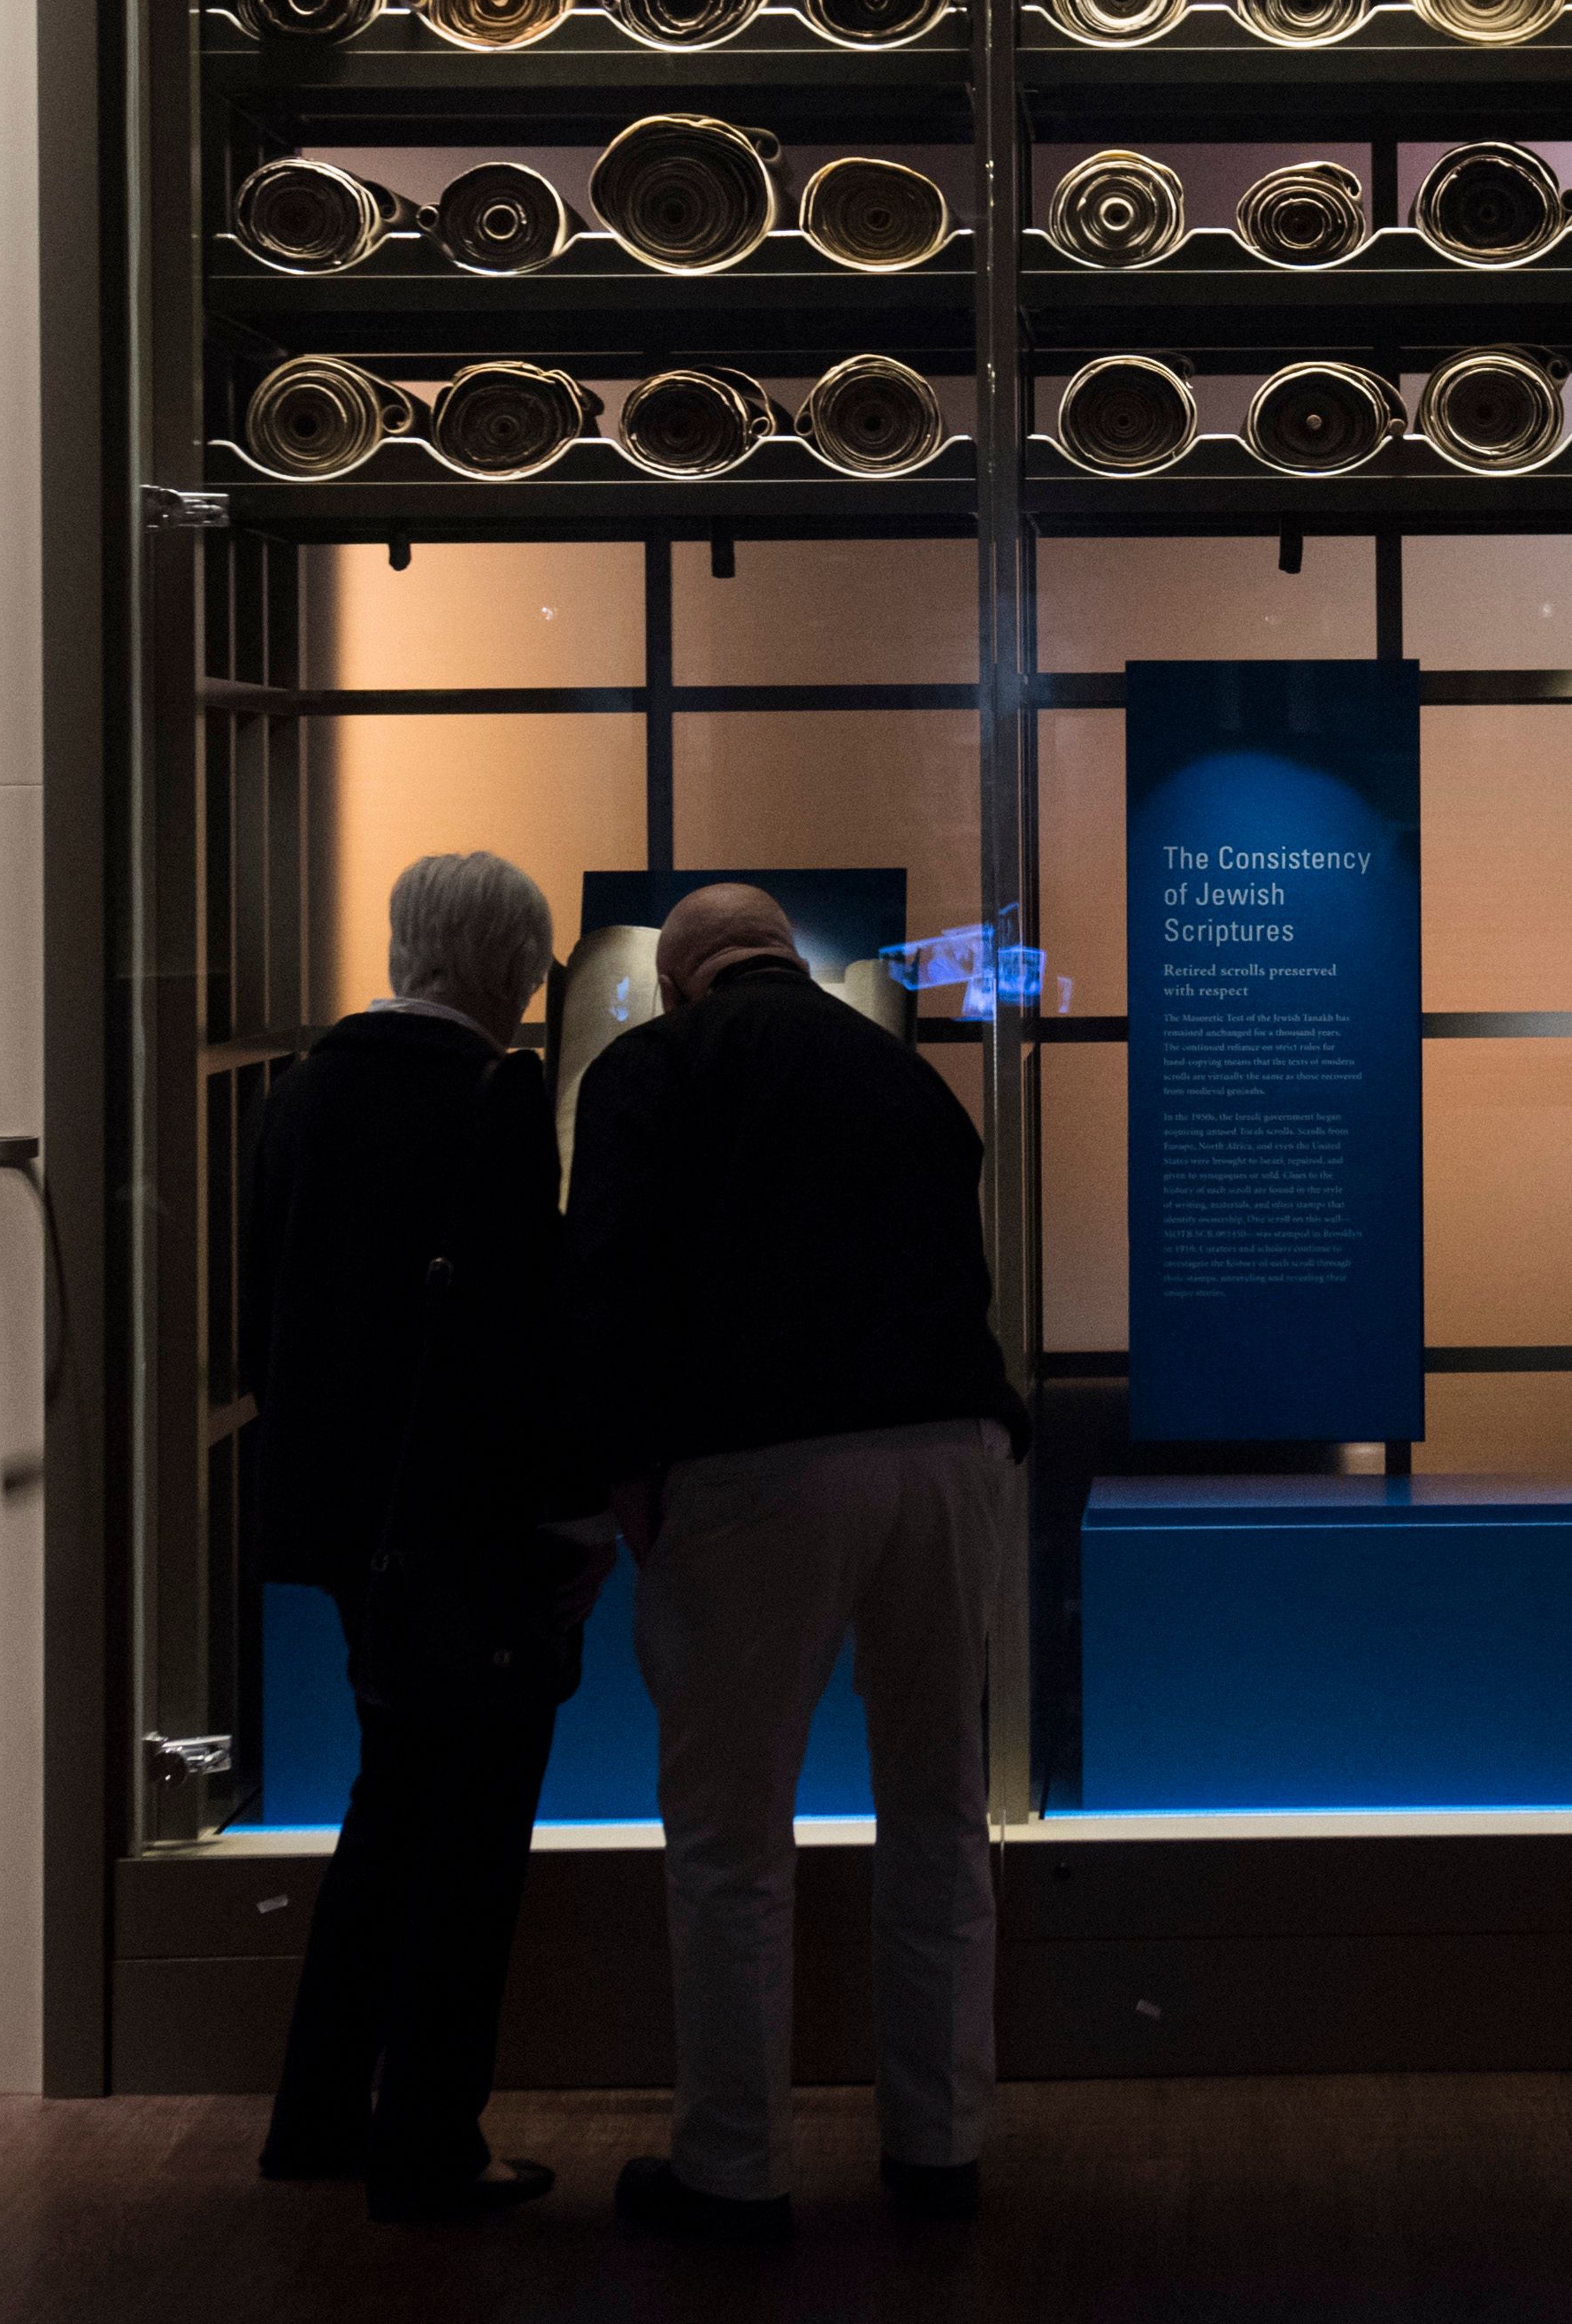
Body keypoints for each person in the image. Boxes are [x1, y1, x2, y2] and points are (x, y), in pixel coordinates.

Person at [576, 882, 1030, 2246]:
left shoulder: (651, 1069)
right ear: (784, 957)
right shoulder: (903, 1076)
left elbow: (608, 1283)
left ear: (676, 980)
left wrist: (627, 1480)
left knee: (731, 1839)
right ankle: (938, 2144)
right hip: (951, 1452)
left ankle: (734, 2166)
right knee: (941, 1808)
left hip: (759, 1466)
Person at [249, 849, 606, 2222]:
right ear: (513, 968)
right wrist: (574, 1511)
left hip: (352, 1522)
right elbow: (527, 1332)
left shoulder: (302, 1091)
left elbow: (267, 1311)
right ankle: (430, 2136)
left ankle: (318, 2112)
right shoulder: (492, 1098)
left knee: (388, 1807)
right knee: (468, 1843)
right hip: (471, 1526)